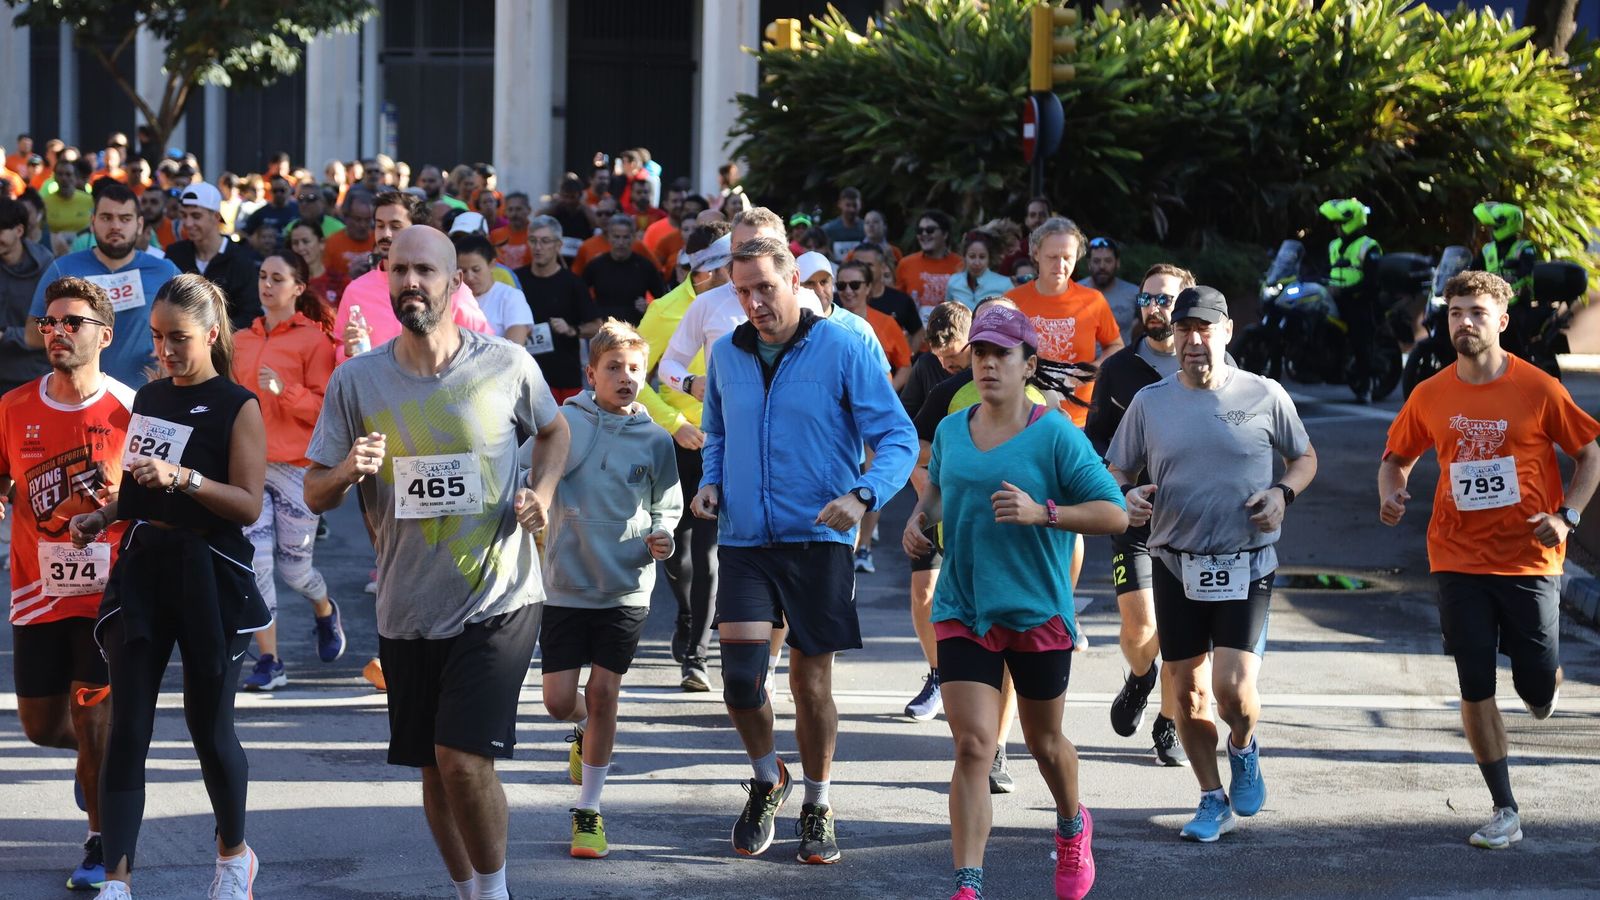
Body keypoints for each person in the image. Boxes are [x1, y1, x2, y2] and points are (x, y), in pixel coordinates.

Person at [304, 226, 570, 900]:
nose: (411, 283)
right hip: (407, 603)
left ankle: (494, 891)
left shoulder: (504, 365)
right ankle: (468, 890)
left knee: (460, 759)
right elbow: (313, 489)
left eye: (425, 271)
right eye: (399, 271)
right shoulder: (358, 380)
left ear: (458, 283)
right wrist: (346, 470)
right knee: (432, 768)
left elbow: (554, 428)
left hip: (499, 593)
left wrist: (539, 493)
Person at [693, 235, 916, 863]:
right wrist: (711, 480)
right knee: (740, 682)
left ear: (794, 279)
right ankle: (770, 779)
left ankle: (817, 801)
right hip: (744, 539)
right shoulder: (726, 354)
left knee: (810, 683)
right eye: (742, 291)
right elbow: (716, 431)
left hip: (819, 537)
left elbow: (897, 435)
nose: (755, 302)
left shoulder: (844, 346)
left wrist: (865, 495)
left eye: (765, 286)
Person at [903, 304, 1126, 900]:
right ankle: (968, 884)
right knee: (974, 744)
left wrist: (1044, 513)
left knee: (1044, 742)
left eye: (1001, 354)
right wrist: (919, 521)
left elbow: (1114, 513)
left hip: (1034, 609)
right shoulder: (953, 430)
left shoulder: (1055, 433)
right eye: (980, 353)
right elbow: (942, 495)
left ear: (1029, 364)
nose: (988, 364)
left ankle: (1072, 823)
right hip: (964, 605)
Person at [1378, 270, 1600, 850]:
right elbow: (1396, 458)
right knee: (1474, 682)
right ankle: (1505, 807)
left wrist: (1567, 517)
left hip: (1529, 558)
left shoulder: (1538, 388)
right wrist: (1391, 490)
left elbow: (1589, 455)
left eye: (1476, 312)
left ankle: (1543, 686)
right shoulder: (1430, 394)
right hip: (1456, 555)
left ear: (1501, 321)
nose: (1464, 322)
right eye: (1454, 312)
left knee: (1534, 682)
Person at [72, 274, 269, 900]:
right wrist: (99, 518)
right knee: (128, 723)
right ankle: (119, 879)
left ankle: (234, 855)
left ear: (211, 334)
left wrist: (184, 478)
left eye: (178, 338)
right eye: (157, 338)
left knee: (209, 726)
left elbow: (248, 504)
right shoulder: (151, 397)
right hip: (147, 566)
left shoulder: (239, 404)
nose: (165, 350)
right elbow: (135, 490)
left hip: (210, 570)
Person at [1106, 285, 1316, 843]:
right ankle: (1209, 797)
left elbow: (1304, 457)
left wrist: (1282, 495)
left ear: (1226, 332)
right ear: (1173, 336)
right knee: (1188, 696)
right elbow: (1115, 470)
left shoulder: (1265, 394)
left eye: (1205, 329)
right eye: (1184, 330)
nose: (1194, 341)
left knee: (1233, 691)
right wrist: (1126, 496)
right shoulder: (1151, 402)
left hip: (1248, 563)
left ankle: (1243, 747)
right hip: (1175, 562)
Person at [0, 276, 133, 891]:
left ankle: (100, 842)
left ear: (104, 335)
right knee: (42, 727)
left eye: (72, 322)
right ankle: (96, 770)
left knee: (95, 723)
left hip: (107, 596)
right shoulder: (14, 405)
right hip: (36, 591)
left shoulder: (129, 409)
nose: (56, 331)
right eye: (50, 322)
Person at [537, 318, 681, 859]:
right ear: (590, 372)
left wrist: (663, 531)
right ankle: (582, 731)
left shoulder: (656, 438)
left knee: (604, 694)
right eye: (614, 368)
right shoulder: (562, 425)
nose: (626, 377)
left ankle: (590, 811)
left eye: (635, 369)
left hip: (626, 586)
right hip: (565, 584)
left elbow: (667, 501)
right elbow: (530, 473)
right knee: (558, 703)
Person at [1084, 264, 1198, 767]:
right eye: (1148, 299)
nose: (1155, 308)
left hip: (1195, 522)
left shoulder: (1213, 363)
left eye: (1166, 300)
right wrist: (1119, 487)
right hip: (1135, 515)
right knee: (1139, 629)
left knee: (1180, 633)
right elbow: (1095, 439)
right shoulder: (1119, 368)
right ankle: (1139, 675)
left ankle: (1168, 724)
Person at [232, 251, 343, 692]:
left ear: (299, 288)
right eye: (262, 276)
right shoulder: (241, 340)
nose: (267, 284)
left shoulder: (316, 342)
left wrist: (286, 390)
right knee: (256, 565)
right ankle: (270, 659)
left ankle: (324, 609)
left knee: (297, 572)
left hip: (299, 469)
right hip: (251, 467)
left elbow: (326, 412)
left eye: (278, 278)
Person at [637, 225, 729, 691]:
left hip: (725, 441)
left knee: (710, 552)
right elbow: (634, 377)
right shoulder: (664, 309)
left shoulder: (742, 303)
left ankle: (696, 655)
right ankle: (691, 614)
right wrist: (676, 424)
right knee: (677, 546)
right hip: (676, 442)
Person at [895, 301, 973, 723]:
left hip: (978, 506)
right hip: (933, 497)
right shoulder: (927, 369)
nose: (946, 364)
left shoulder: (984, 369)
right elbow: (906, 437)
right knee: (924, 591)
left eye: (954, 356)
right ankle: (938, 673)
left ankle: (980, 679)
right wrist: (920, 481)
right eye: (939, 356)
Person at [27, 182, 181, 387]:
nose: (115, 226)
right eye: (106, 218)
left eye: (125, 219)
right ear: (92, 222)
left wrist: (173, 345)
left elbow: (196, 326)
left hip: (148, 398)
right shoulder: (62, 269)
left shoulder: (166, 271)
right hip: (78, 398)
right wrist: (71, 328)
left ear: (140, 225)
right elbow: (31, 335)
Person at [331, 191, 491, 364]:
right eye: (379, 225)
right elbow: (339, 352)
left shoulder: (447, 285)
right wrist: (347, 351)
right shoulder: (356, 290)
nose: (386, 234)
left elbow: (483, 344)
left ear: (417, 229)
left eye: (395, 226)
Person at [1005, 216, 1123, 428]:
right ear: (1036, 254)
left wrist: (1095, 368)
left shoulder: (1093, 300)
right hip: (1025, 418)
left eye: (1067, 257)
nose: (1060, 265)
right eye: (1052, 257)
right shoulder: (1013, 301)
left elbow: (1115, 345)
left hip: (1080, 419)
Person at [512, 215, 600, 403]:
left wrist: (572, 330)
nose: (538, 247)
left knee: (565, 432)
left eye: (545, 241)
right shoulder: (516, 280)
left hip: (563, 377)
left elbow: (596, 326)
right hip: (521, 376)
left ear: (558, 245)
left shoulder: (573, 283)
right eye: (533, 241)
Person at [165, 183, 263, 330]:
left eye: (196, 216)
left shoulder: (241, 259)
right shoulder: (175, 254)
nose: (188, 223)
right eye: (184, 215)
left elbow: (250, 314)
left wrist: (212, 335)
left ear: (216, 216)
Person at [1319, 197, 1382, 402]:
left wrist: (1345, 292)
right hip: (1334, 299)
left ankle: (1366, 385)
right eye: (1334, 224)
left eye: (1339, 223)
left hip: (1360, 300)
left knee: (1360, 338)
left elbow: (1373, 282)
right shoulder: (1333, 245)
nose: (1336, 228)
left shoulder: (1368, 246)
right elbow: (1324, 271)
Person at [0, 197, 53, 395]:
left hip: (32, 375)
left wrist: (6, 336)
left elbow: (49, 330)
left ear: (19, 231)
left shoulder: (46, 268)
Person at [582, 214, 666, 326]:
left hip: (635, 330)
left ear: (633, 238)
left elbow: (663, 299)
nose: (621, 242)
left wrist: (649, 308)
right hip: (602, 329)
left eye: (625, 237)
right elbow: (580, 295)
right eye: (616, 237)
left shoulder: (645, 266)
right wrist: (592, 313)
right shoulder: (596, 265)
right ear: (609, 237)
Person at [453, 233, 533, 346]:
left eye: (476, 270)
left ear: (492, 265)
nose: (470, 277)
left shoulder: (511, 296)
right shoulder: (453, 298)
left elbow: (515, 347)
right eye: (463, 271)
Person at [898, 210, 964, 320]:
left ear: (945, 234)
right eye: (920, 231)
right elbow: (898, 302)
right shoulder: (906, 264)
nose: (924, 234)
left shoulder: (961, 264)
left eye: (930, 230)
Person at [854, 242, 923, 349]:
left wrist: (907, 359)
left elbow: (918, 332)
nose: (863, 269)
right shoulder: (842, 299)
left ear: (882, 267)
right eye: (858, 264)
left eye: (869, 265)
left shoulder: (901, 300)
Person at [1078, 236, 1140, 344]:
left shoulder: (1134, 293)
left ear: (1117, 263)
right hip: (1084, 360)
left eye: (1108, 261)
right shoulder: (1074, 291)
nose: (1102, 266)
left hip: (1121, 359)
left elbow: (1145, 322)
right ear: (1089, 264)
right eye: (1096, 261)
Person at [945, 231, 1013, 310]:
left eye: (982, 257)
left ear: (989, 258)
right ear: (964, 257)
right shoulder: (954, 281)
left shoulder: (1005, 284)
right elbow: (947, 314)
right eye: (972, 256)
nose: (977, 262)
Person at [289, 221, 345, 307]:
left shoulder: (340, 281)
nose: (300, 248)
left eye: (306, 241)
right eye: (295, 243)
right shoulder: (287, 283)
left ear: (321, 243)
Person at [45, 159, 94, 256]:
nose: (64, 178)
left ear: (75, 178)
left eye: (68, 174)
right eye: (60, 174)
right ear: (54, 177)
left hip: (84, 252)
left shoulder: (89, 200)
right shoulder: (45, 202)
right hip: (55, 254)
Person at [323, 195, 376, 282]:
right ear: (346, 218)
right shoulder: (332, 242)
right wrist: (349, 276)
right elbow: (327, 280)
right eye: (357, 219)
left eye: (367, 220)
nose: (362, 225)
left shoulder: (378, 241)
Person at [242, 176, 299, 240]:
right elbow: (245, 233)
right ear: (270, 192)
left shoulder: (298, 209)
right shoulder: (260, 213)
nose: (278, 194)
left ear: (289, 190)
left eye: (282, 190)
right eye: (275, 191)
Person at [489, 192, 533, 270]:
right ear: (505, 211)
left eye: (518, 209)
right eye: (510, 209)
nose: (514, 214)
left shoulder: (536, 234)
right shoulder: (495, 235)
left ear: (529, 210)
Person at [819, 187, 866, 259]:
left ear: (860, 205)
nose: (852, 209)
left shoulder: (867, 229)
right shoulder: (828, 230)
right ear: (840, 204)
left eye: (855, 205)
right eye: (848, 205)